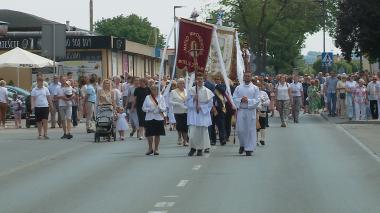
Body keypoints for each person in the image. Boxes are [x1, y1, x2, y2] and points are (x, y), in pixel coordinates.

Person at [186, 73, 214, 156]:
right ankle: (193, 148)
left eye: (201, 79)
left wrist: (201, 107)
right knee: (192, 133)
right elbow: (187, 103)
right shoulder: (191, 90)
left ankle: (200, 149)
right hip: (193, 114)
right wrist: (193, 100)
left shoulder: (207, 91)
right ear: (196, 80)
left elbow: (210, 104)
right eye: (198, 79)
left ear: (203, 80)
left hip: (202, 114)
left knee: (202, 133)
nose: (199, 81)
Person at [233, 72, 260, 156]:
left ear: (251, 77)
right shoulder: (238, 88)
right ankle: (242, 145)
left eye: (248, 76)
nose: (247, 77)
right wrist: (241, 99)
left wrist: (248, 100)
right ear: (243, 77)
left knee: (250, 130)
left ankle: (249, 149)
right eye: (246, 76)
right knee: (240, 130)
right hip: (241, 110)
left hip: (250, 111)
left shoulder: (255, 88)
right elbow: (234, 98)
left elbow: (257, 100)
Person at [142, 85, 166, 155]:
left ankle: (156, 149)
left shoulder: (161, 97)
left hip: (158, 117)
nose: (154, 91)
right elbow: (143, 108)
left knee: (157, 134)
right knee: (149, 134)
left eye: (155, 89)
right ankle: (150, 148)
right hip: (149, 117)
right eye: (152, 89)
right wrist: (149, 109)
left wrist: (160, 108)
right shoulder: (147, 97)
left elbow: (164, 108)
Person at [209, 76, 228, 146]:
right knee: (212, 125)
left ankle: (222, 139)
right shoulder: (211, 86)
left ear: (220, 80)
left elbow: (223, 91)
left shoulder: (223, 86)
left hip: (220, 108)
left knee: (221, 125)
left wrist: (216, 86)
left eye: (218, 79)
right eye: (216, 79)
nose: (217, 80)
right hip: (213, 108)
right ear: (214, 80)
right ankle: (213, 140)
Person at [170, 78, 188, 146]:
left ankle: (185, 141)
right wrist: (178, 104)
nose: (182, 84)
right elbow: (170, 102)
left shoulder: (187, 91)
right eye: (180, 83)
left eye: (183, 83)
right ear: (177, 84)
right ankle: (179, 137)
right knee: (179, 125)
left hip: (186, 111)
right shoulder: (173, 92)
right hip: (177, 111)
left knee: (185, 126)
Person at [257, 81, 270, 146]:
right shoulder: (253, 93)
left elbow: (268, 101)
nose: (258, 87)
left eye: (260, 85)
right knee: (256, 126)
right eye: (257, 85)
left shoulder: (264, 93)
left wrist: (263, 103)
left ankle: (262, 139)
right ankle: (255, 140)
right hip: (255, 112)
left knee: (262, 125)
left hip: (262, 111)